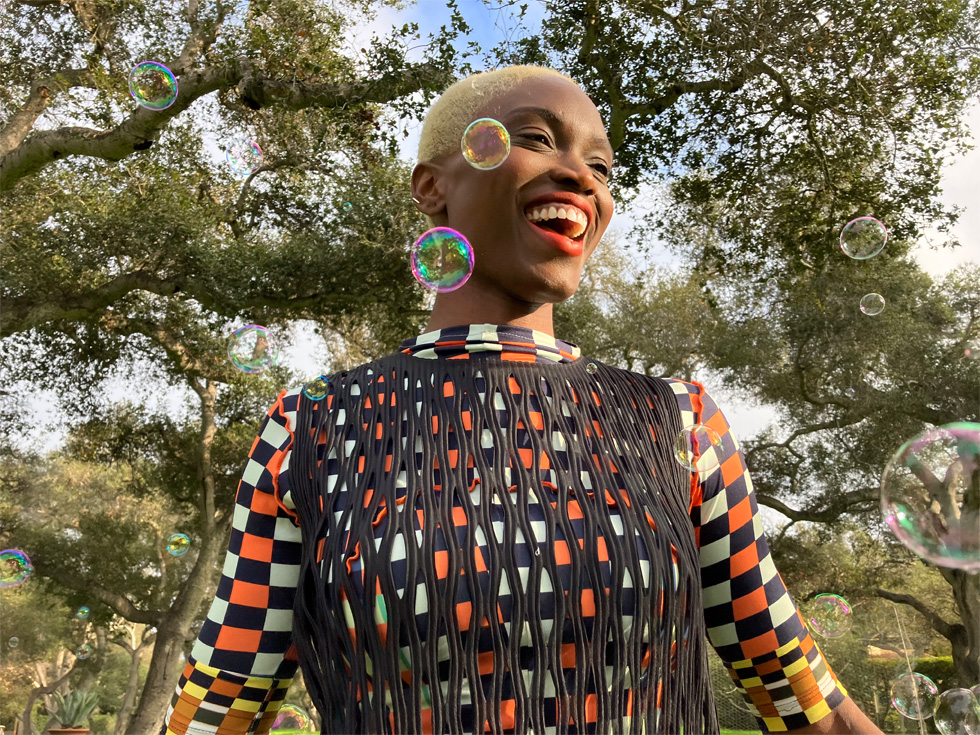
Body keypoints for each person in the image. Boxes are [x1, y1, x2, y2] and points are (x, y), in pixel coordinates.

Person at [162, 65, 884, 735]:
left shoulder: (678, 421)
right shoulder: (309, 428)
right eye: (538, 139)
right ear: (431, 187)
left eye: (600, 167)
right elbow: (224, 697)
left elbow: (793, 684)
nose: (581, 177)